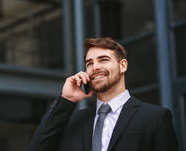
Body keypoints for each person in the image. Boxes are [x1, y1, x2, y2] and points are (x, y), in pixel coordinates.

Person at [29, 37, 178, 151]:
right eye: (89, 63)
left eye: (104, 60)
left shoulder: (155, 118)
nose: (95, 67)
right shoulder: (74, 121)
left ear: (122, 65)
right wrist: (66, 99)